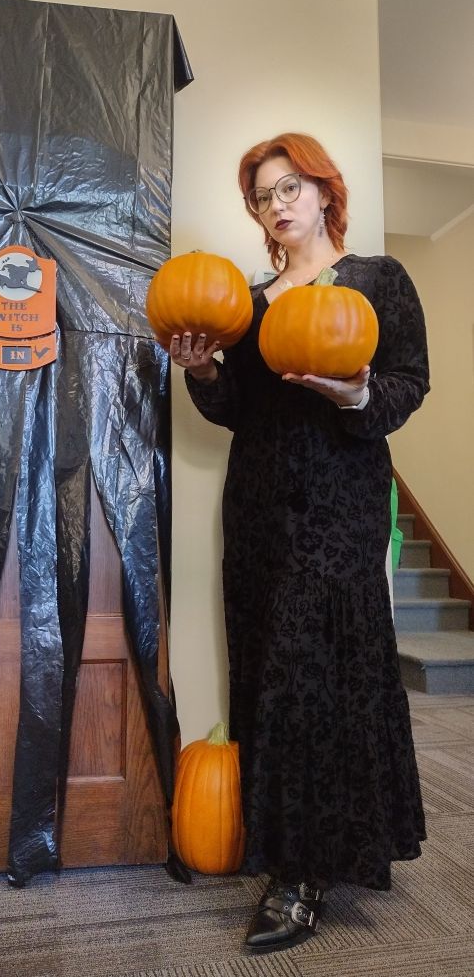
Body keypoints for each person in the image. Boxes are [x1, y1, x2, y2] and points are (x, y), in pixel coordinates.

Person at [169, 133, 429, 954]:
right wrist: (205, 372)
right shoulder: (243, 302)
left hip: (343, 502)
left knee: (324, 673)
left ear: (323, 192)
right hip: (259, 507)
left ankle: (304, 875)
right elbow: (237, 409)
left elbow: (409, 385)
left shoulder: (379, 281)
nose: (276, 205)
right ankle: (290, 847)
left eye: (289, 187)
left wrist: (356, 391)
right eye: (261, 197)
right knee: (272, 673)